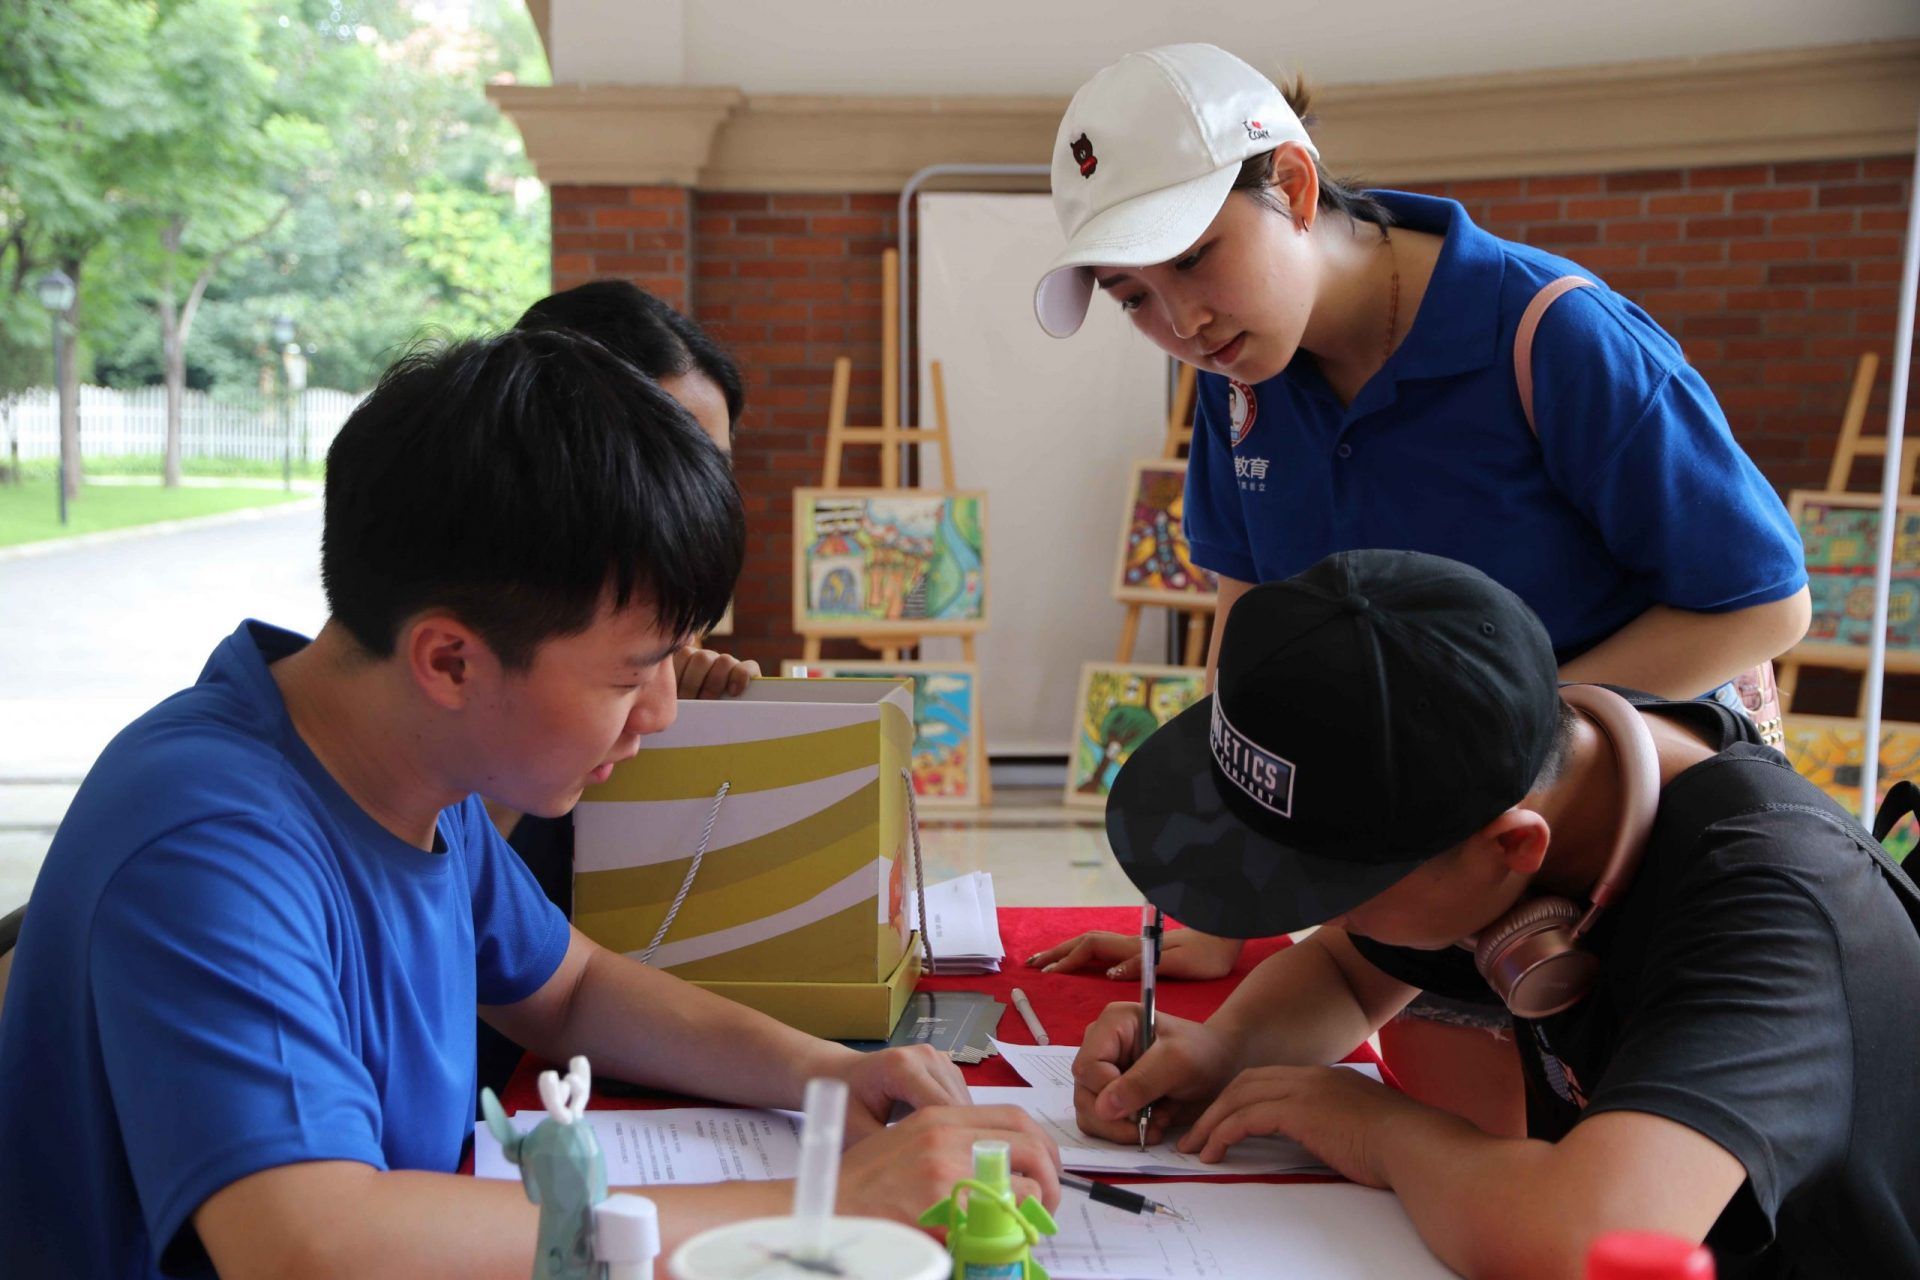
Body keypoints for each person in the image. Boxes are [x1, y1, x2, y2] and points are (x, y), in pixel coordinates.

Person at [0, 331, 1061, 1279]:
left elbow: (570, 988)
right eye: (628, 672)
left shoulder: (415, 766)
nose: (663, 710)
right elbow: (312, 1241)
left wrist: (830, 1074)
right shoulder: (212, 842)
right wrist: (828, 1201)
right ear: (451, 658)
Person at [1025, 43, 1811, 1135]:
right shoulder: (1239, 384)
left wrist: (1498, 742)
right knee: (1450, 1129)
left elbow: (1763, 605)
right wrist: (1225, 895)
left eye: (1197, 258)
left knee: (1614, 1153)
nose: (1183, 325)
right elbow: (1258, 642)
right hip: (1432, 869)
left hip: (1630, 850)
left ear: (1293, 187)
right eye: (1132, 299)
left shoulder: (1553, 335)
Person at [1075, 548, 1919, 1279]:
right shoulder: (1526, 767)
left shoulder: (1773, 907)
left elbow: (1587, 1243)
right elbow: (1351, 965)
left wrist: (1375, 1128)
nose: (1318, 918)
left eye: (1331, 890)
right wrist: (1226, 1050)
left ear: (1513, 849)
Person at [475, 281, 756, 1093]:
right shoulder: (245, 843)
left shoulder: (446, 827)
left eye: (715, 470)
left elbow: (575, 990)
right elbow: (316, 1218)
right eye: (663, 461)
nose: (660, 711)